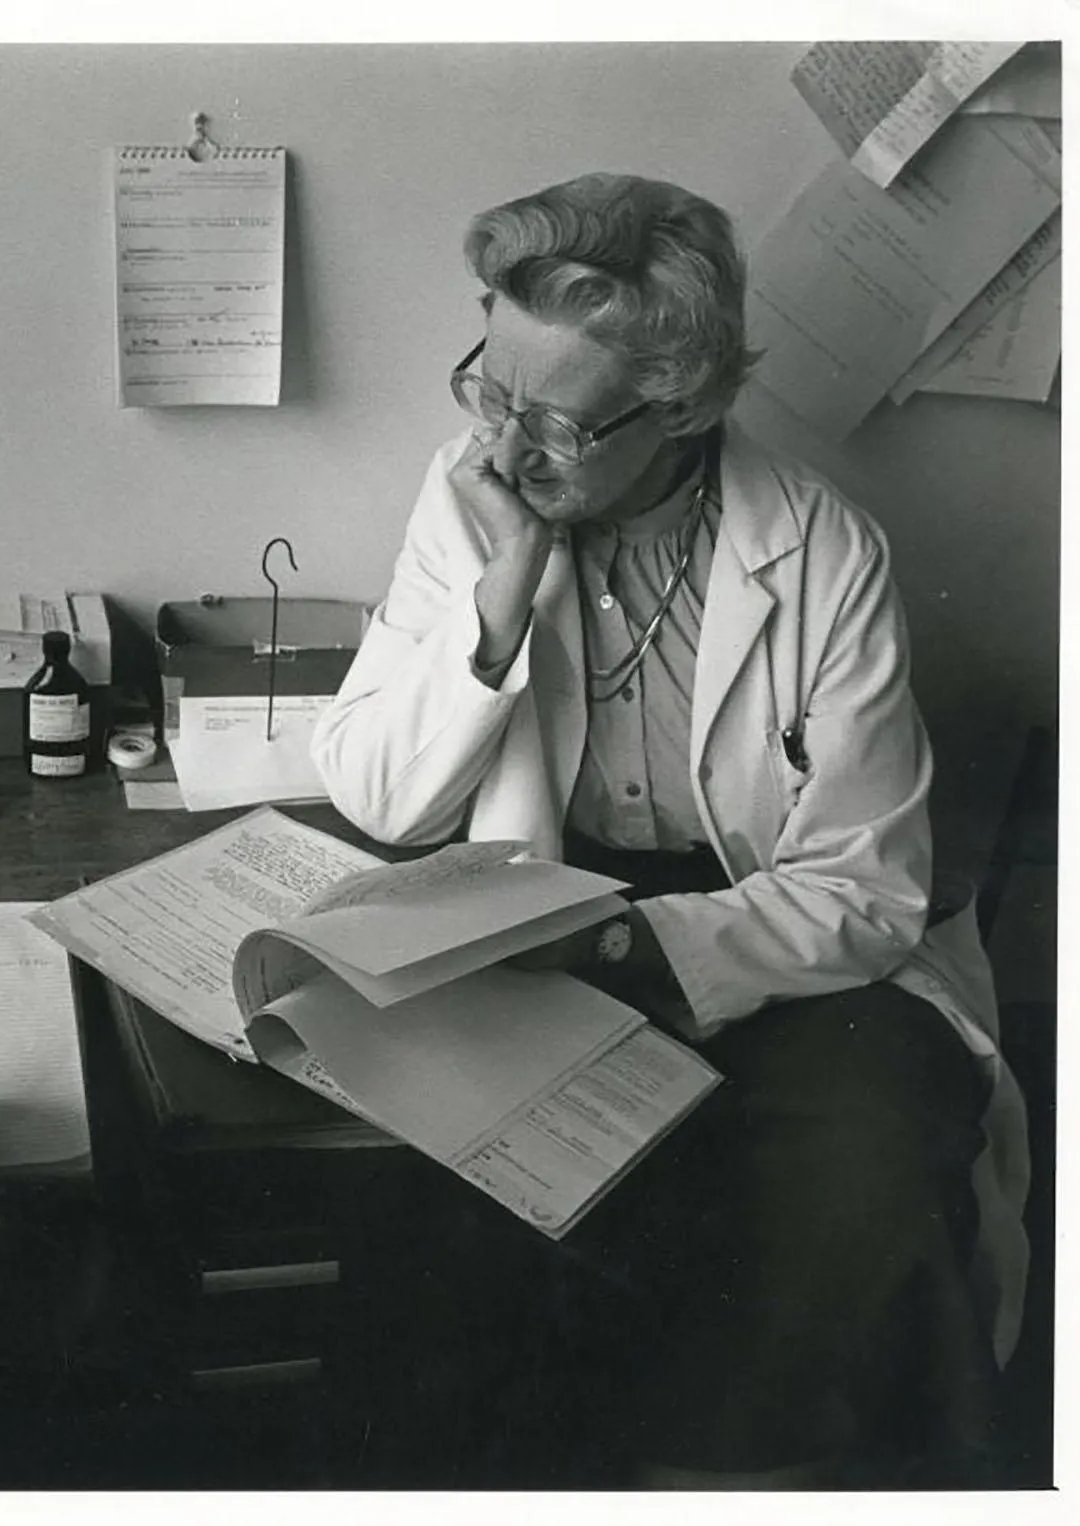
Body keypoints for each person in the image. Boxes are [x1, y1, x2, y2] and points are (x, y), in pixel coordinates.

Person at [310, 173, 1028, 1486]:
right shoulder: (472, 496)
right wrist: (497, 603)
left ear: (684, 404)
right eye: (492, 388)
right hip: (528, 933)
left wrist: (635, 951)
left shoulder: (825, 556)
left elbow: (865, 892)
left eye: (560, 426)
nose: (510, 450)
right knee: (454, 1209)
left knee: (872, 1155)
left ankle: (729, 1484)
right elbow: (380, 793)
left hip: (780, 947)